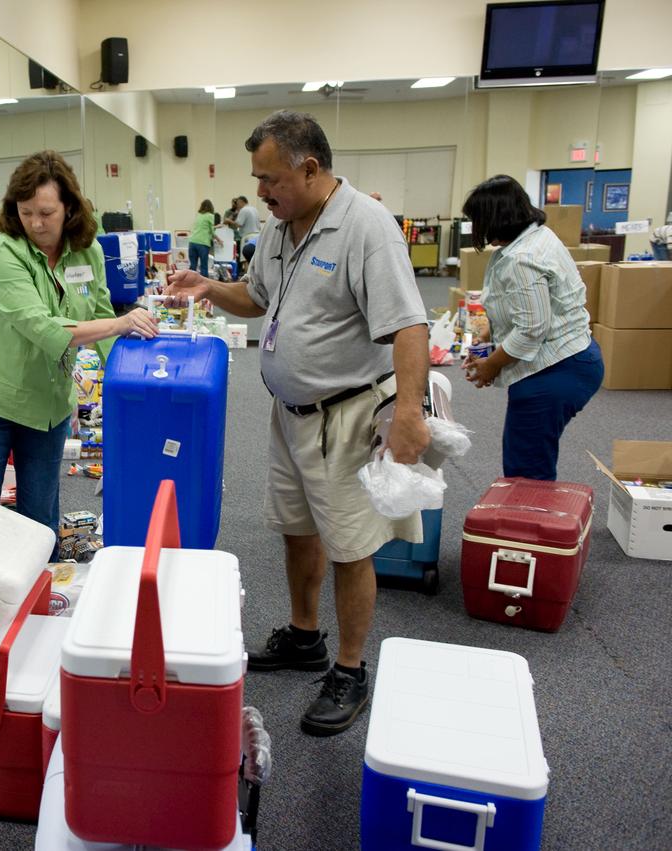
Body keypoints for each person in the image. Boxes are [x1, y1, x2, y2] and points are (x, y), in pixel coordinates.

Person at [165, 111, 430, 736]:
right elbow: (259, 299)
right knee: (298, 529)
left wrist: (410, 414)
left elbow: (410, 325)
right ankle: (306, 635)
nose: (259, 192)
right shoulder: (284, 228)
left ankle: (349, 667)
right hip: (289, 415)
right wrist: (207, 285)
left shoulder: (367, 228)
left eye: (269, 178)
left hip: (346, 415)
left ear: (310, 169)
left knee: (350, 546)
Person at [0, 151, 158, 532]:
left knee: (40, 523)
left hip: (47, 408)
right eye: (26, 211)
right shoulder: (5, 252)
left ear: (69, 209)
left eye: (46, 213)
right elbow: (44, 329)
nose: (35, 222)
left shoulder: (89, 252)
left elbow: (99, 312)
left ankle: (38, 593)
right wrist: (118, 324)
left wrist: (131, 387)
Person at [459, 175, 604, 480]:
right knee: (530, 453)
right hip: (572, 356)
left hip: (557, 368)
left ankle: (533, 522)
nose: (477, 230)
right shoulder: (535, 237)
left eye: (479, 221)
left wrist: (491, 366)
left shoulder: (522, 258)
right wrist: (487, 341)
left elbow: (531, 330)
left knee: (527, 466)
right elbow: (523, 312)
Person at [188, 199, 217, 276]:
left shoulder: (198, 215)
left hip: (192, 242)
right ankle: (204, 286)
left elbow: (202, 227)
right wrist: (219, 240)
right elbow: (212, 231)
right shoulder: (210, 216)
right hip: (203, 244)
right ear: (211, 207)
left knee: (192, 266)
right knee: (203, 266)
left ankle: (190, 285)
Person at [233, 195, 261, 264]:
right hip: (257, 237)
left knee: (245, 260)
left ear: (242, 202)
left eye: (238, 203)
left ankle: (248, 274)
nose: (237, 206)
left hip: (248, 236)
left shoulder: (243, 210)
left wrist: (228, 221)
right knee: (255, 259)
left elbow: (239, 224)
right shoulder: (255, 209)